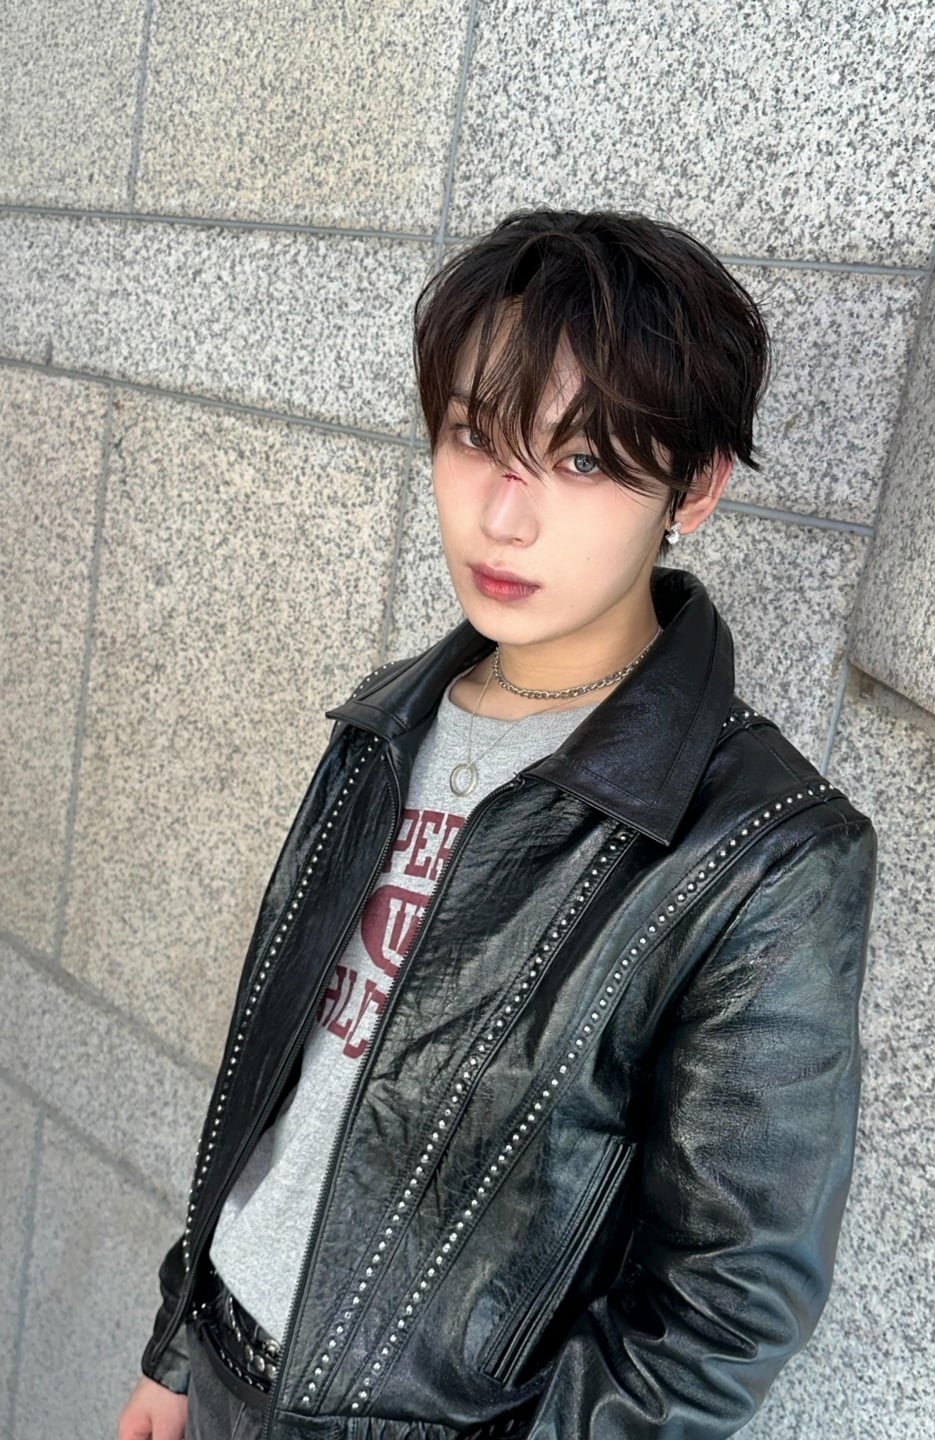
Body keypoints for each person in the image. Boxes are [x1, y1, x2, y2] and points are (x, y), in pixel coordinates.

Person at [118, 208, 876, 1440]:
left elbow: (725, 1304)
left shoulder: (763, 851)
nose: (504, 517)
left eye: (580, 462)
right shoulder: (389, 723)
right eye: (476, 437)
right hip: (219, 1373)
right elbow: (283, 1080)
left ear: (693, 488)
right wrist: (176, 1342)